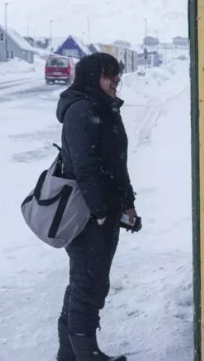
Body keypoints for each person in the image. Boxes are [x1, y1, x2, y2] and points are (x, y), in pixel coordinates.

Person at [55, 53, 141, 361]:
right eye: (109, 75)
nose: (116, 80)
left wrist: (127, 203)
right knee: (88, 285)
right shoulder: (81, 111)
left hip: (103, 211)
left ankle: (69, 354)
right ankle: (86, 355)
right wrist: (102, 212)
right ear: (93, 77)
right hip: (87, 215)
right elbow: (85, 167)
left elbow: (117, 164)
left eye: (117, 74)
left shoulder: (104, 108)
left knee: (86, 282)